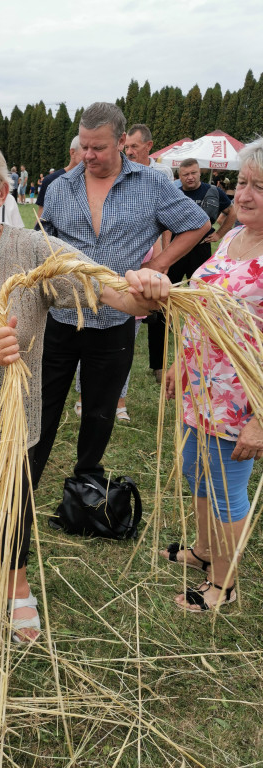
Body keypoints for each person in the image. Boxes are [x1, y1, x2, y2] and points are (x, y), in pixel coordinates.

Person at [0, 132, 172, 639]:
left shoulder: (35, 250)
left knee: (10, 510)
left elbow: (115, 296)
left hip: (14, 421)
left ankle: (15, 582)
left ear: (3, 189)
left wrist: (147, 289)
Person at [32, 102, 211, 487]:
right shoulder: (61, 187)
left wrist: (159, 264)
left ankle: (86, 482)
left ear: (122, 141)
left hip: (116, 320)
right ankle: (24, 477)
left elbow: (198, 223)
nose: (89, 156)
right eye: (84, 146)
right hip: (62, 317)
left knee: (100, 410)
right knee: (42, 405)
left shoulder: (152, 184)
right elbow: (41, 240)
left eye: (98, 147)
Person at [161, 138, 263, 611]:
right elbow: (205, 308)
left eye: (259, 187)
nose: (244, 194)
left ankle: (224, 585)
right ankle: (204, 552)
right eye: (243, 182)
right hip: (200, 386)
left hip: (241, 399)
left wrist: (261, 420)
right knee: (196, 473)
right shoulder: (231, 238)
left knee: (226, 490)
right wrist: (182, 364)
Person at [147, 157, 236, 383]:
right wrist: (167, 253)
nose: (190, 177)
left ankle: (201, 358)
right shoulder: (174, 192)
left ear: (199, 172)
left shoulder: (211, 191)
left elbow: (231, 212)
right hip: (176, 254)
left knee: (201, 304)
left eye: (194, 173)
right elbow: (165, 226)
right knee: (161, 305)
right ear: (180, 176)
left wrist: (219, 234)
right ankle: (157, 364)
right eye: (186, 174)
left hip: (200, 254)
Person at [35, 136, 83, 218]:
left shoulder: (95, 183)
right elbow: (41, 221)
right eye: (85, 149)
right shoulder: (50, 181)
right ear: (72, 153)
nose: (90, 155)